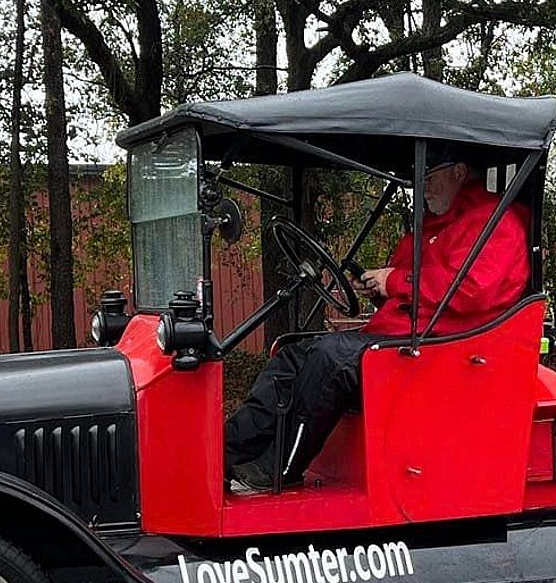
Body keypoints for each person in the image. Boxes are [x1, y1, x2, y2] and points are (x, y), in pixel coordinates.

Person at [224, 146, 530, 490]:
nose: (423, 188)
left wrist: (395, 281)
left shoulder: (496, 223)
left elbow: (472, 290)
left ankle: (279, 468)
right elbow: (412, 283)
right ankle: (228, 452)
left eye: (428, 178)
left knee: (332, 358)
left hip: (445, 353)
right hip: (404, 340)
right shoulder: (435, 226)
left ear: (459, 172)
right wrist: (379, 286)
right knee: (293, 355)